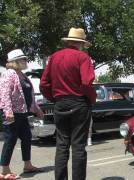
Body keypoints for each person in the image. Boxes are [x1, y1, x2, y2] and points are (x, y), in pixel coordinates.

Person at [40, 27, 96, 180]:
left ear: (69, 41)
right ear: (81, 43)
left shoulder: (54, 57)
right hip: (79, 103)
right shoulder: (83, 57)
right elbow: (86, 84)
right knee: (78, 146)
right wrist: (92, 99)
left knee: (62, 145)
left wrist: (54, 99)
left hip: (60, 103)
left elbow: (44, 84)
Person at [0, 49, 44, 179]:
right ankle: (4, 170)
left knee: (26, 137)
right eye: (23, 59)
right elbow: (4, 94)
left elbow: (29, 95)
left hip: (22, 112)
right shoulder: (8, 74)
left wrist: (37, 109)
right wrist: (8, 111)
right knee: (10, 139)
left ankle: (27, 165)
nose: (26, 61)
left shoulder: (22, 75)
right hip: (11, 113)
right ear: (16, 61)